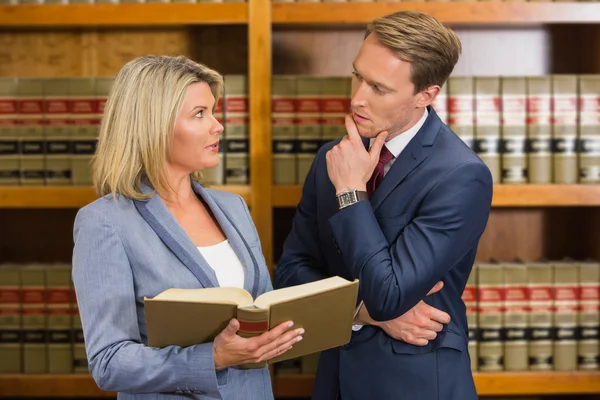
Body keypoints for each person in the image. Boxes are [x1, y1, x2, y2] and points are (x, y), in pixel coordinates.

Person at [274, 11, 493, 400]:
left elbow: (387, 295)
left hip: (416, 384)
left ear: (426, 95)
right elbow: (290, 274)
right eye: (357, 75)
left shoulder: (461, 176)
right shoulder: (333, 158)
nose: (357, 97)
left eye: (379, 88)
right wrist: (358, 313)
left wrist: (350, 193)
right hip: (335, 381)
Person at [72, 55, 303, 400]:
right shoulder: (105, 222)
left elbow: (263, 311)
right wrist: (212, 358)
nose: (218, 125)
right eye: (200, 114)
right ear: (154, 125)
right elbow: (109, 361)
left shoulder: (233, 207)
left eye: (213, 111)